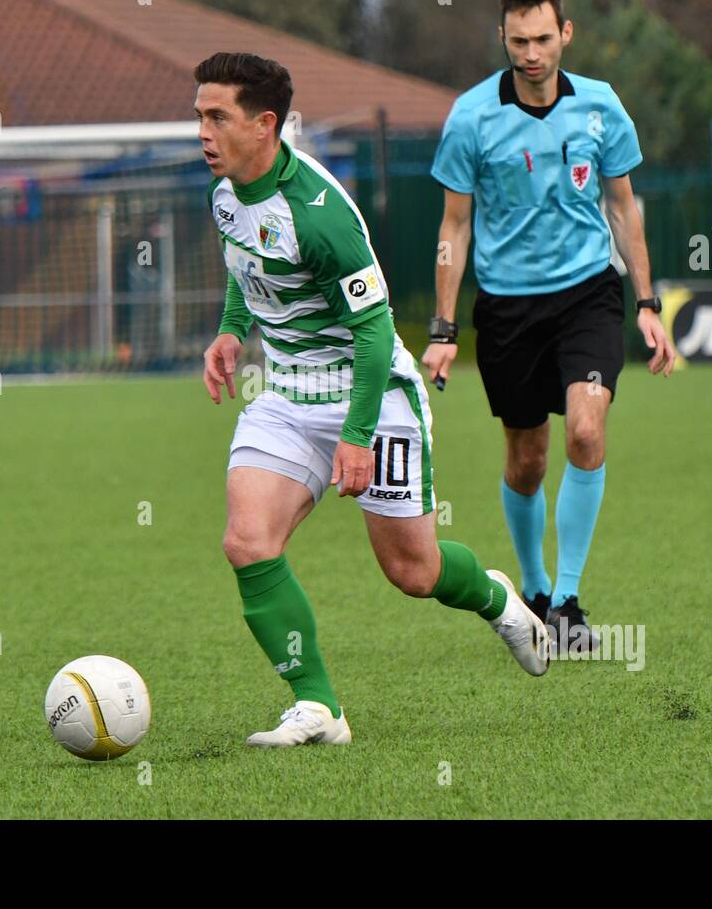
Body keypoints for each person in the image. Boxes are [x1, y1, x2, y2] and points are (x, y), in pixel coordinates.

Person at [195, 52, 548, 748]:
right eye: (199, 115)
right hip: (288, 394)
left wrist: (357, 434)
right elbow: (246, 262)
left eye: (216, 117)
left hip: (372, 393)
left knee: (412, 572)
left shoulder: (320, 215)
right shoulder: (226, 191)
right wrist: (233, 331)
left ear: (265, 125)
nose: (202, 132)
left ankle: (499, 601)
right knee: (247, 541)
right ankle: (318, 707)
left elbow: (374, 330)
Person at [421, 0, 675, 654]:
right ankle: (532, 592)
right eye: (518, 41)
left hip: (589, 293)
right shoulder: (471, 117)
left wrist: (647, 302)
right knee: (527, 459)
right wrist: (444, 329)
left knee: (587, 432)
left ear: (567, 33)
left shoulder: (600, 105)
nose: (531, 53)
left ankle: (566, 603)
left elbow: (623, 209)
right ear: (502, 39)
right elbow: (454, 224)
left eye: (543, 38)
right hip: (506, 308)